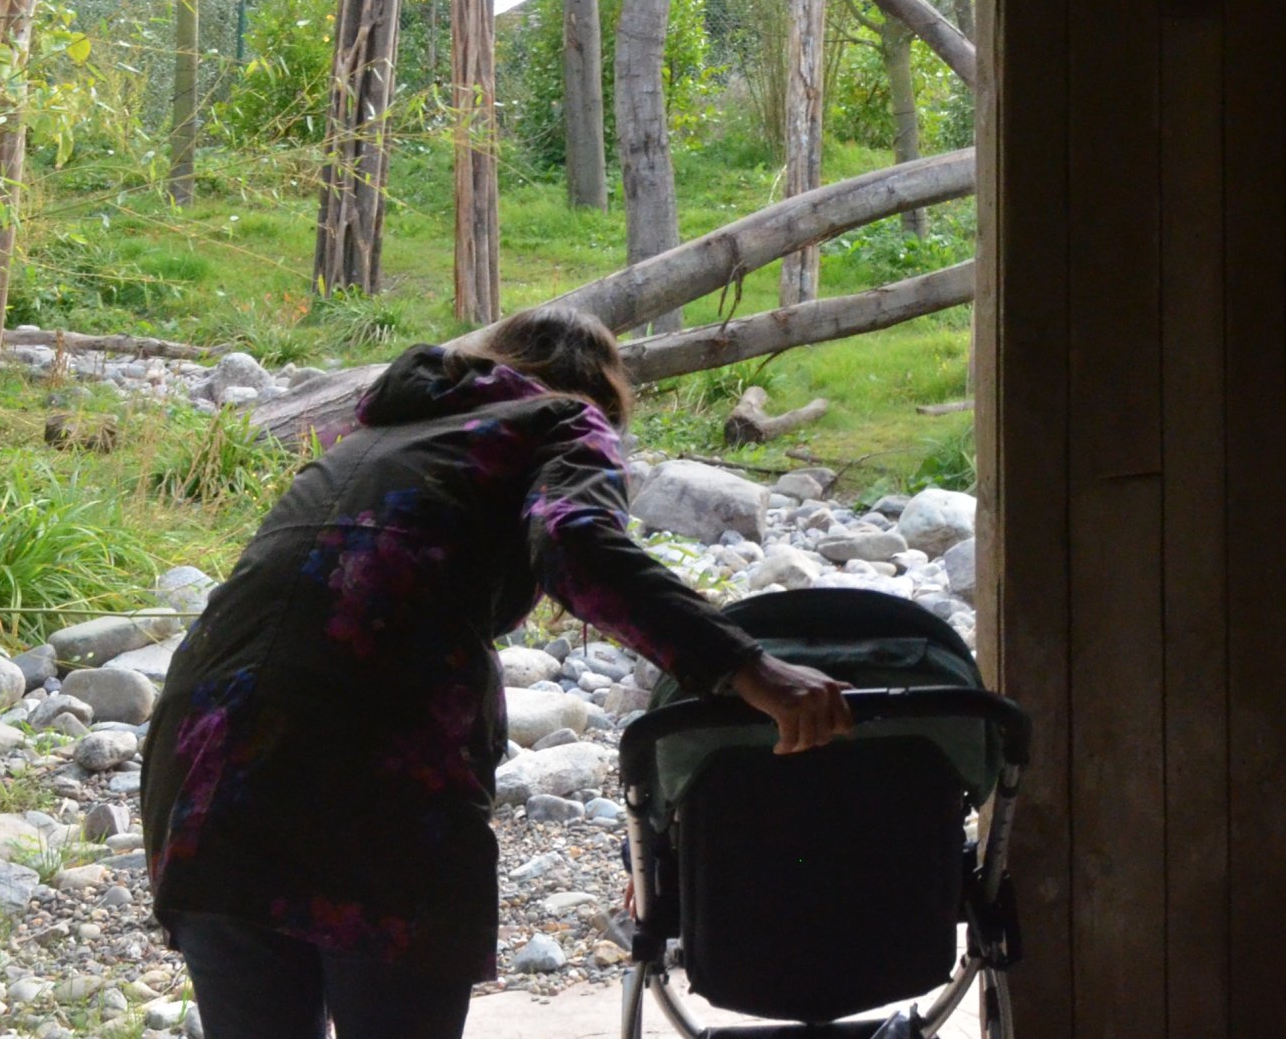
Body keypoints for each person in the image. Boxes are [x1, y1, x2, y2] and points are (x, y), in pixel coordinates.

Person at [143, 310, 850, 1039]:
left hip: (205, 761)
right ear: (603, 394)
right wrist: (746, 666)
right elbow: (575, 542)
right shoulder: (561, 419)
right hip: (373, 768)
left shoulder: (380, 433)